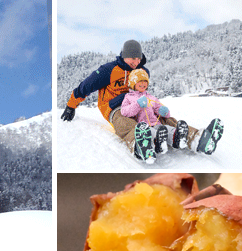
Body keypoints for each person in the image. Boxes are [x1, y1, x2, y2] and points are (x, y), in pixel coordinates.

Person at [60, 39, 223, 161]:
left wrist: (156, 107)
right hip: (115, 108)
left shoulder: (142, 71)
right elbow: (86, 86)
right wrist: (71, 105)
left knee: (161, 117)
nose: (135, 62)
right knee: (124, 122)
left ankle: (196, 138)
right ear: (124, 55)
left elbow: (145, 92)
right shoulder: (108, 70)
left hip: (140, 103)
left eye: (138, 59)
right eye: (132, 58)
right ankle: (140, 143)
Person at [120, 69, 188, 160]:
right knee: (152, 133)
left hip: (155, 123)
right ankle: (157, 144)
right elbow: (124, 111)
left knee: (166, 129)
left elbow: (158, 108)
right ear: (133, 83)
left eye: (145, 81)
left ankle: (177, 138)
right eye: (140, 81)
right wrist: (137, 104)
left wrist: (164, 111)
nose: (143, 84)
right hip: (143, 127)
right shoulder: (128, 97)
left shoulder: (151, 97)